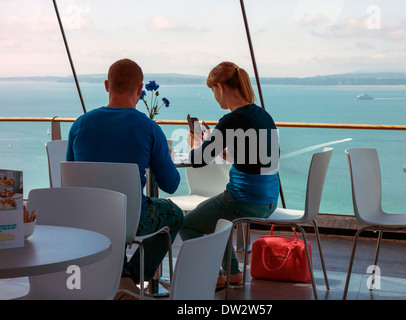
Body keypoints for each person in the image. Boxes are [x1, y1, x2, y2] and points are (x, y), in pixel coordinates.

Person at [66, 58, 183, 299]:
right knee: (175, 214)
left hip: (86, 219)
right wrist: (163, 156)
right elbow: (170, 185)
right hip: (130, 220)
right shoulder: (149, 128)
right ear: (140, 90)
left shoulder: (80, 125)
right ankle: (131, 277)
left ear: (107, 85)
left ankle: (116, 276)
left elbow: (69, 180)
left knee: (111, 217)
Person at [179, 61, 280, 289]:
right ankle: (232, 274)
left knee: (187, 225)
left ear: (220, 87)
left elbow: (199, 160)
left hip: (244, 200)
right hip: (269, 201)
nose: (215, 97)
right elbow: (255, 161)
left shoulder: (231, 120)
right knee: (218, 220)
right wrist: (213, 145)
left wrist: (195, 143)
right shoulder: (263, 116)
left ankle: (214, 276)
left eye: (213, 90)